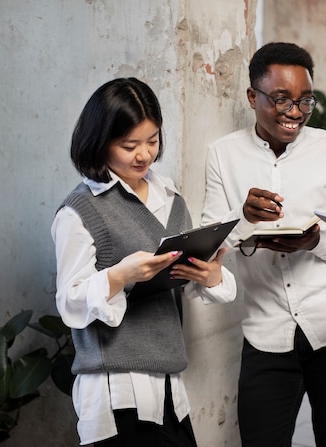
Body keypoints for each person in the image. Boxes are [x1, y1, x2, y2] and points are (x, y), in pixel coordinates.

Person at [200, 42, 326, 447]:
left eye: (304, 101)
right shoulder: (222, 156)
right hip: (265, 331)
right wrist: (244, 220)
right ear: (253, 97)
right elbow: (210, 242)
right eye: (281, 99)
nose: (294, 112)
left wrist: (316, 241)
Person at [51, 77, 237, 447]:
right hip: (114, 388)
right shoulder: (81, 211)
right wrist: (120, 275)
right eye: (128, 145)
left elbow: (186, 285)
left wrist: (210, 275)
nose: (144, 155)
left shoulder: (171, 198)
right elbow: (69, 301)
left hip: (168, 382)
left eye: (152, 141)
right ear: (99, 142)